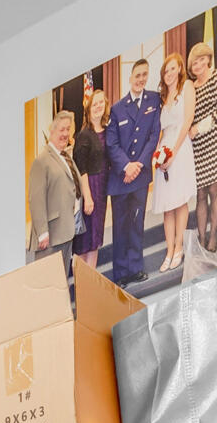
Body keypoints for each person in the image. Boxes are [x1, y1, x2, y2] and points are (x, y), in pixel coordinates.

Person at [100, 57, 162, 285]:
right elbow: (111, 143)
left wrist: (139, 165)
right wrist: (127, 165)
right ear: (130, 77)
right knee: (120, 226)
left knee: (137, 223)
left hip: (140, 176)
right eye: (138, 75)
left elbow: (154, 135)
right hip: (120, 178)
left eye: (145, 75)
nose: (141, 79)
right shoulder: (117, 108)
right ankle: (120, 274)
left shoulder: (154, 100)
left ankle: (135, 268)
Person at [187, 39, 217, 252]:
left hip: (214, 139)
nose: (197, 66)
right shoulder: (190, 87)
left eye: (201, 60)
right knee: (200, 193)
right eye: (193, 63)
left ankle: (214, 235)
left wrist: (200, 127)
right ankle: (201, 237)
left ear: (208, 60)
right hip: (197, 146)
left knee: (214, 189)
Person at [154, 48, 196, 264]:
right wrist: (159, 157)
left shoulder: (186, 87)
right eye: (165, 70)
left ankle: (179, 246)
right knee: (167, 205)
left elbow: (187, 120)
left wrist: (174, 153)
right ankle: (169, 251)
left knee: (179, 201)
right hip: (165, 147)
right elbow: (160, 130)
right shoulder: (162, 97)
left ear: (180, 69)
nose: (169, 73)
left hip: (180, 146)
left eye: (172, 68)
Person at [27, 106, 82, 259]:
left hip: (66, 230)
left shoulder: (66, 157)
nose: (65, 134)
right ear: (52, 131)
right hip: (50, 235)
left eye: (68, 129)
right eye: (62, 130)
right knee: (48, 281)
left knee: (62, 280)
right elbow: (35, 199)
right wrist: (43, 232)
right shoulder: (41, 161)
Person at [72, 84, 112, 263]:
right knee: (84, 241)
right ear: (88, 108)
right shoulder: (84, 135)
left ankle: (91, 279)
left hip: (102, 189)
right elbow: (81, 169)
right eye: (94, 103)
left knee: (95, 239)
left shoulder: (108, 131)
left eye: (101, 103)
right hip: (90, 188)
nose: (98, 106)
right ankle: (82, 283)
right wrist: (88, 197)